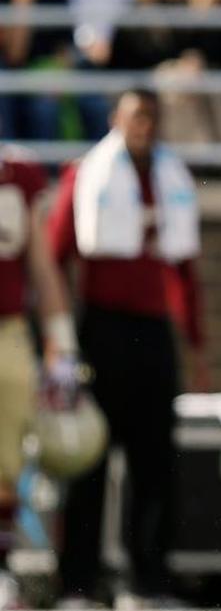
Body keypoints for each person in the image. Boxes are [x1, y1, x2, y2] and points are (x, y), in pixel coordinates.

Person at [47, 89, 207, 607]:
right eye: (136, 116)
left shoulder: (168, 176)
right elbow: (54, 254)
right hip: (103, 331)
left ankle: (148, 581)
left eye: (151, 117)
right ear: (117, 119)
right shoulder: (86, 174)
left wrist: (196, 344)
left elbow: (184, 270)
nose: (144, 126)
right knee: (90, 458)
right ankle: (78, 584)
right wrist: (57, 340)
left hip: (153, 332)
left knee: (154, 462)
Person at [0, 144, 80, 609]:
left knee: (5, 462)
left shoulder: (17, 173)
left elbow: (42, 266)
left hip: (7, 330)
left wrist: (62, 346)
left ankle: (2, 569)